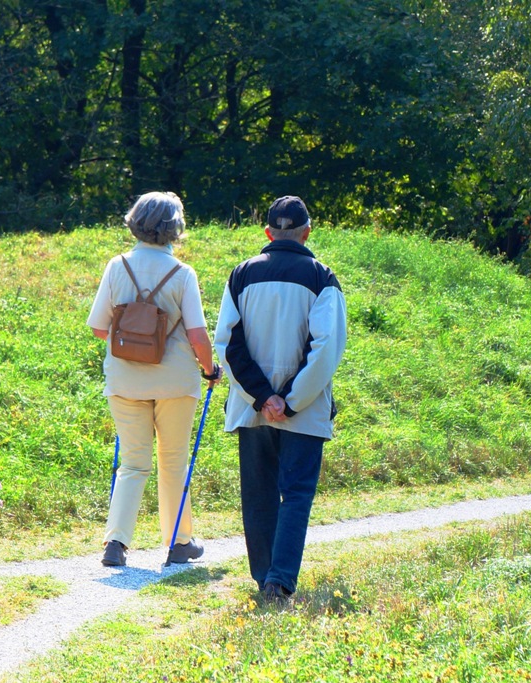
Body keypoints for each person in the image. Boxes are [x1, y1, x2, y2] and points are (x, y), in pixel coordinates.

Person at [213, 195, 347, 603]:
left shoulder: (241, 274)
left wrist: (263, 397)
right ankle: (280, 580)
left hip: (252, 408)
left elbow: (227, 344)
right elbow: (326, 349)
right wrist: (289, 401)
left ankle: (263, 577)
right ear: (308, 231)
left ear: (268, 233)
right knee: (297, 493)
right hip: (302, 413)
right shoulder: (322, 278)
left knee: (258, 493)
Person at [87, 191, 220, 567]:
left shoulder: (117, 266)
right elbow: (197, 335)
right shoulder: (182, 274)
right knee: (173, 460)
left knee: (132, 463)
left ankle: (116, 544)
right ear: (174, 229)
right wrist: (210, 370)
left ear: (135, 222)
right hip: (175, 381)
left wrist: (135, 333)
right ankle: (179, 542)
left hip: (125, 380)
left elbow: (99, 328)